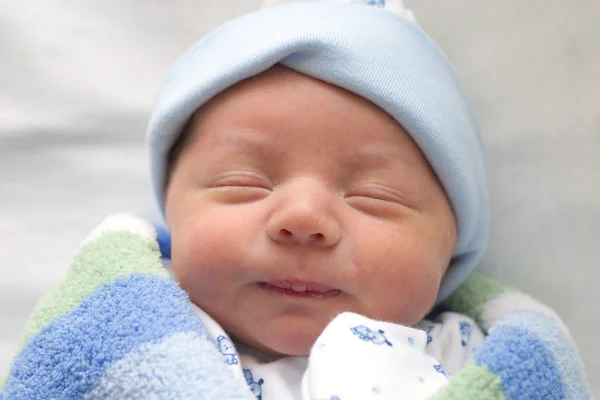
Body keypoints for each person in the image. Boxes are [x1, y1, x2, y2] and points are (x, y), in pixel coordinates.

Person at [147, 0, 489, 398]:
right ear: (173, 210)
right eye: (244, 183)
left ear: (451, 249)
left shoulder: (469, 359)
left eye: (373, 196)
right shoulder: (135, 332)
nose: (304, 218)